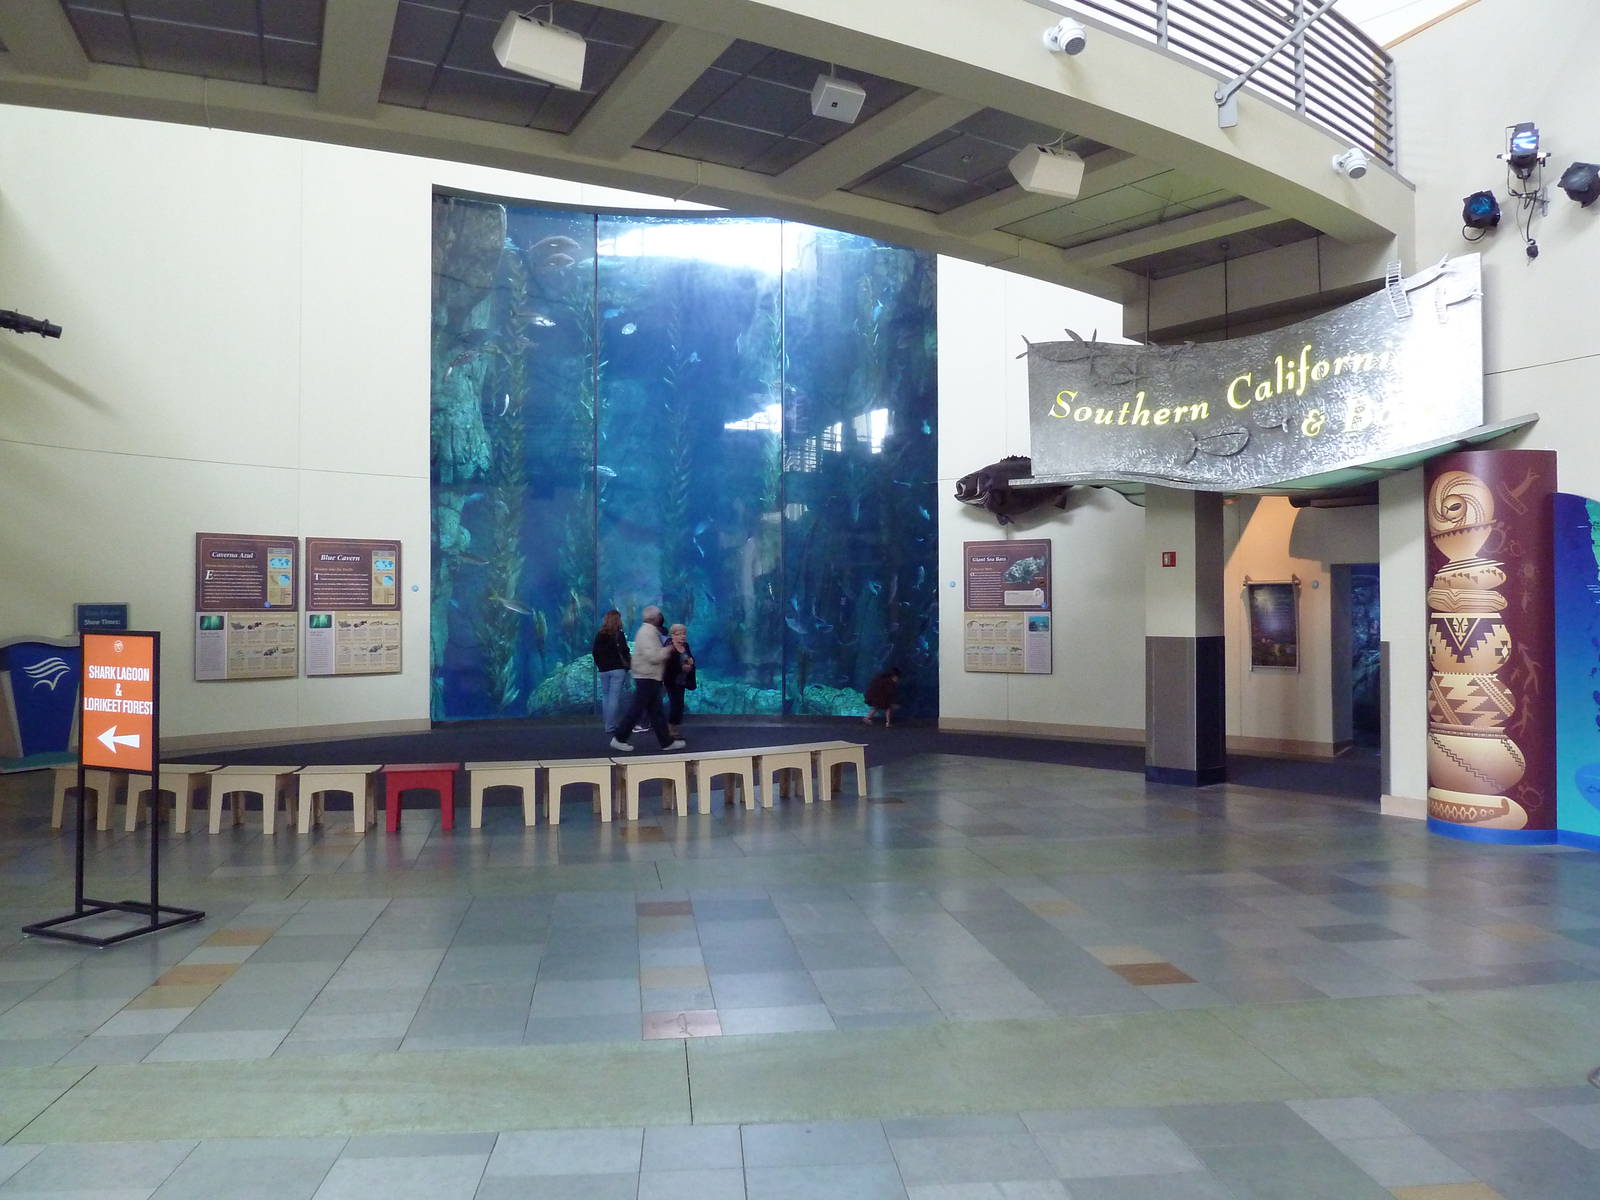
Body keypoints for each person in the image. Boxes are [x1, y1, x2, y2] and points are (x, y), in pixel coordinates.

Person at [609, 605, 685, 752]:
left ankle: (666, 742)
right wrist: (669, 649)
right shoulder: (646, 633)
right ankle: (619, 738)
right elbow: (653, 656)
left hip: (650, 676)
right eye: (659, 615)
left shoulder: (649, 631)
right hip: (646, 676)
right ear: (655, 617)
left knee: (656, 712)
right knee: (637, 709)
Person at [590, 610, 630, 735]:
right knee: (614, 698)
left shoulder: (599, 635)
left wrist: (600, 665)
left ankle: (608, 723)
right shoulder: (619, 634)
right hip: (617, 669)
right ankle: (611, 725)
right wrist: (628, 666)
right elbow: (625, 651)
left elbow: (595, 652)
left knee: (606, 696)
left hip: (603, 670)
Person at [662, 623, 697, 738]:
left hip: (683, 680)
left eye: (684, 633)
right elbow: (666, 665)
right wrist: (681, 667)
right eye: (680, 634)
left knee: (679, 705)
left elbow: (690, 658)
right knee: (676, 704)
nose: (683, 636)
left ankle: (674, 729)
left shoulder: (685, 646)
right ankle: (670, 731)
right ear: (672, 635)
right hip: (671, 680)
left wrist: (691, 663)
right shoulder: (668, 647)